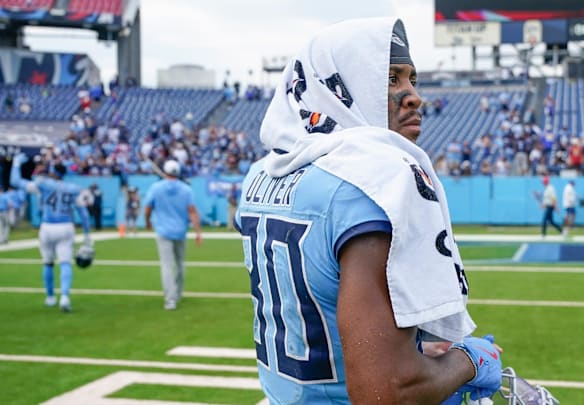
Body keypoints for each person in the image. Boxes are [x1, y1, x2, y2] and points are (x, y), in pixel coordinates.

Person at [235, 18, 502, 404]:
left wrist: (409, 352)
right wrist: (470, 361)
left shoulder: (263, 173)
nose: (413, 96)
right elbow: (385, 392)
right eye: (391, 79)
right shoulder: (373, 181)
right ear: (339, 87)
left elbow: (322, 312)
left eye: (412, 80)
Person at [10, 154, 92, 312]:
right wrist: (87, 233)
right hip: (66, 225)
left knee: (48, 262)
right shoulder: (73, 189)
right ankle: (65, 297)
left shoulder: (42, 184)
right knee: (65, 263)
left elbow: (15, 182)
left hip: (47, 226)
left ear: (52, 172)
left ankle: (50, 297)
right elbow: (83, 213)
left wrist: (15, 163)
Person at [143, 160, 202, 310]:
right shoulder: (186, 189)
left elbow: (148, 208)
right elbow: (192, 211)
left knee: (167, 266)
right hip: (180, 231)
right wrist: (197, 232)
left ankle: (170, 298)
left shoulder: (156, 188)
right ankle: (178, 293)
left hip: (163, 230)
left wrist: (147, 222)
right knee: (180, 264)